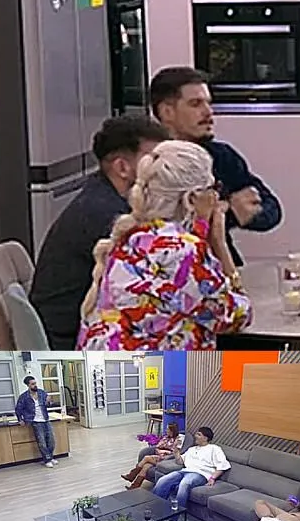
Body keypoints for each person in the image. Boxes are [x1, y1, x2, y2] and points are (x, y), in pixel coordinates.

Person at [76, 140, 253, 350]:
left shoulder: (131, 237)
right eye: (213, 188)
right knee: (282, 368)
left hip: (106, 367)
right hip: (152, 370)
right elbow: (237, 317)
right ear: (191, 199)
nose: (216, 197)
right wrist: (219, 243)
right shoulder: (181, 250)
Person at [30, 115, 170, 349]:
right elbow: (161, 284)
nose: (164, 169)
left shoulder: (105, 197)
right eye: (154, 160)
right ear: (122, 167)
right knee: (217, 362)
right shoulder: (105, 214)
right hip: (76, 345)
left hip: (89, 333)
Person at [149, 66, 282, 267]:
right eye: (196, 104)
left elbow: (271, 209)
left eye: (209, 103)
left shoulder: (221, 156)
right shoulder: (149, 161)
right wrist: (218, 212)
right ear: (167, 112)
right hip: (162, 267)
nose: (208, 112)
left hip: (221, 263)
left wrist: (238, 212)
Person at [152, 426, 230, 521]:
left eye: (198, 434)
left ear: (206, 438)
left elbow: (222, 466)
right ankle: (155, 512)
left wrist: (213, 478)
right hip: (185, 471)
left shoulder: (214, 449)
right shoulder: (191, 449)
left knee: (184, 484)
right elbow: (180, 462)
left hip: (200, 474)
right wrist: (176, 451)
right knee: (163, 480)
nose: (195, 436)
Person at [121, 422, 182, 490]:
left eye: (168, 429)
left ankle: (131, 475)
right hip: (159, 455)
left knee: (146, 458)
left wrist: (163, 451)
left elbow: (175, 452)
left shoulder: (178, 440)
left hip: (166, 459)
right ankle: (134, 486)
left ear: (172, 431)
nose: (166, 430)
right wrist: (159, 450)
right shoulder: (166, 437)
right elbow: (157, 446)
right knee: (145, 466)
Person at [13, 376, 57, 468]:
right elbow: (18, 409)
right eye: (32, 384)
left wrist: (49, 401)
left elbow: (48, 404)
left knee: (51, 441)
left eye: (35, 383)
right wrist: (20, 419)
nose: (35, 385)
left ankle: (50, 456)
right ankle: (47, 460)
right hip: (35, 421)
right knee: (42, 442)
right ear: (28, 385)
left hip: (45, 419)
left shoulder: (41, 392)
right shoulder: (24, 397)